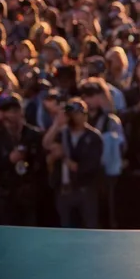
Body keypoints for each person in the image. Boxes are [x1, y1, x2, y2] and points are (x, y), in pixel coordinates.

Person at [43, 98, 104, 228]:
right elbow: (46, 144)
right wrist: (56, 124)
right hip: (64, 190)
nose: (73, 117)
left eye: (76, 113)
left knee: (89, 227)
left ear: (84, 115)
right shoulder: (63, 134)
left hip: (85, 190)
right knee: (66, 228)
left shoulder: (93, 137)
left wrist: (68, 161)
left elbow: (91, 166)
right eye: (70, 114)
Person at [80, 78, 126, 228]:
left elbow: (121, 145)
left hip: (106, 174)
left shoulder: (111, 121)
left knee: (108, 214)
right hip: (83, 175)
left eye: (93, 94)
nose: (88, 99)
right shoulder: (76, 121)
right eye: (85, 95)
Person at [0, 93, 45, 225]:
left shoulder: (34, 135)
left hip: (29, 196)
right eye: (5, 111)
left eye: (13, 111)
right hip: (6, 195)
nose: (10, 116)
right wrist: (9, 160)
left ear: (20, 111)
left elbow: (42, 166)